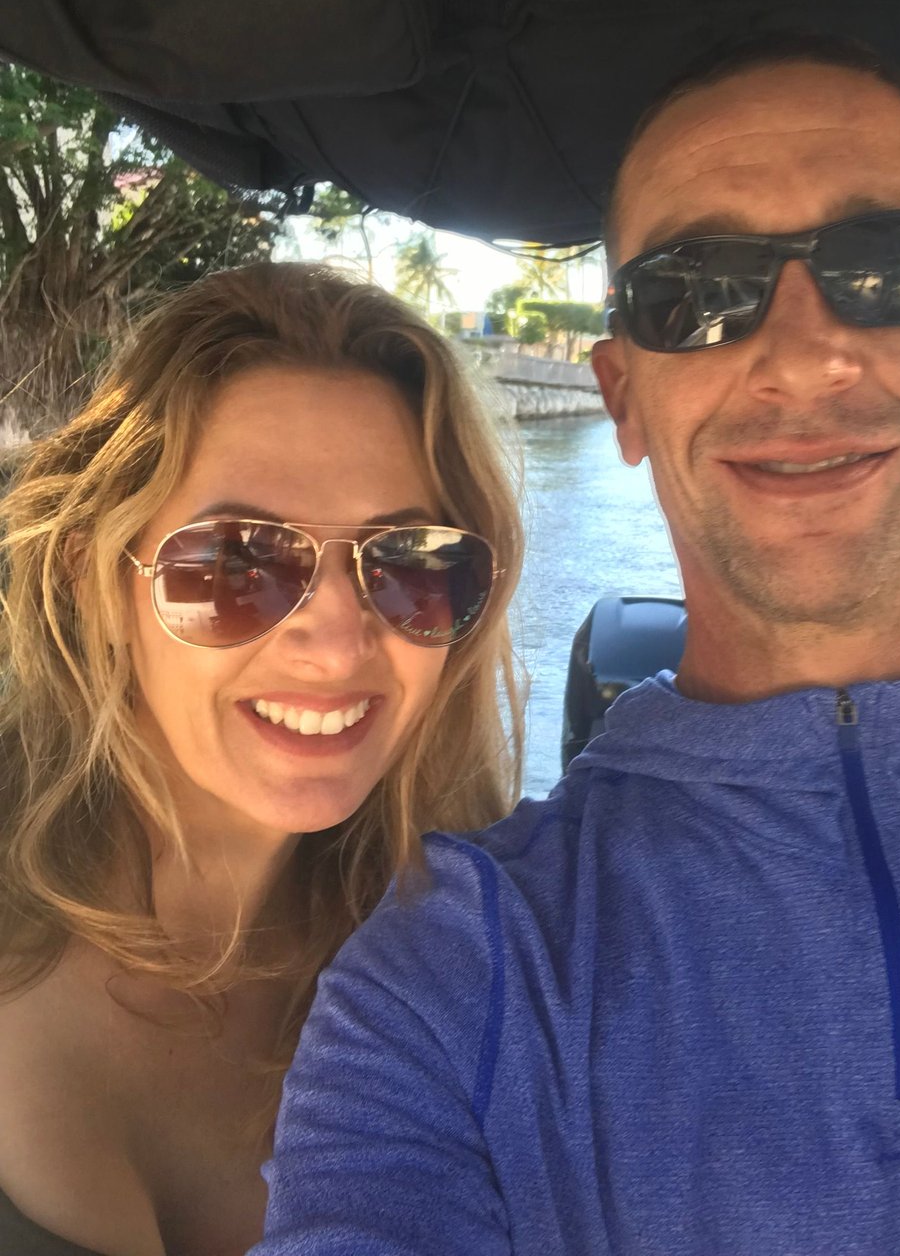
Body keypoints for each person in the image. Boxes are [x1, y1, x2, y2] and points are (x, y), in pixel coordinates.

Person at [254, 36, 900, 1255]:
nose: (802, 355)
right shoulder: (456, 971)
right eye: (696, 291)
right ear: (621, 397)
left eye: (891, 265)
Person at [0, 260, 523, 1256]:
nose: (336, 646)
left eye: (408, 562)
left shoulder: (471, 960)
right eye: (237, 562)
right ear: (94, 583)